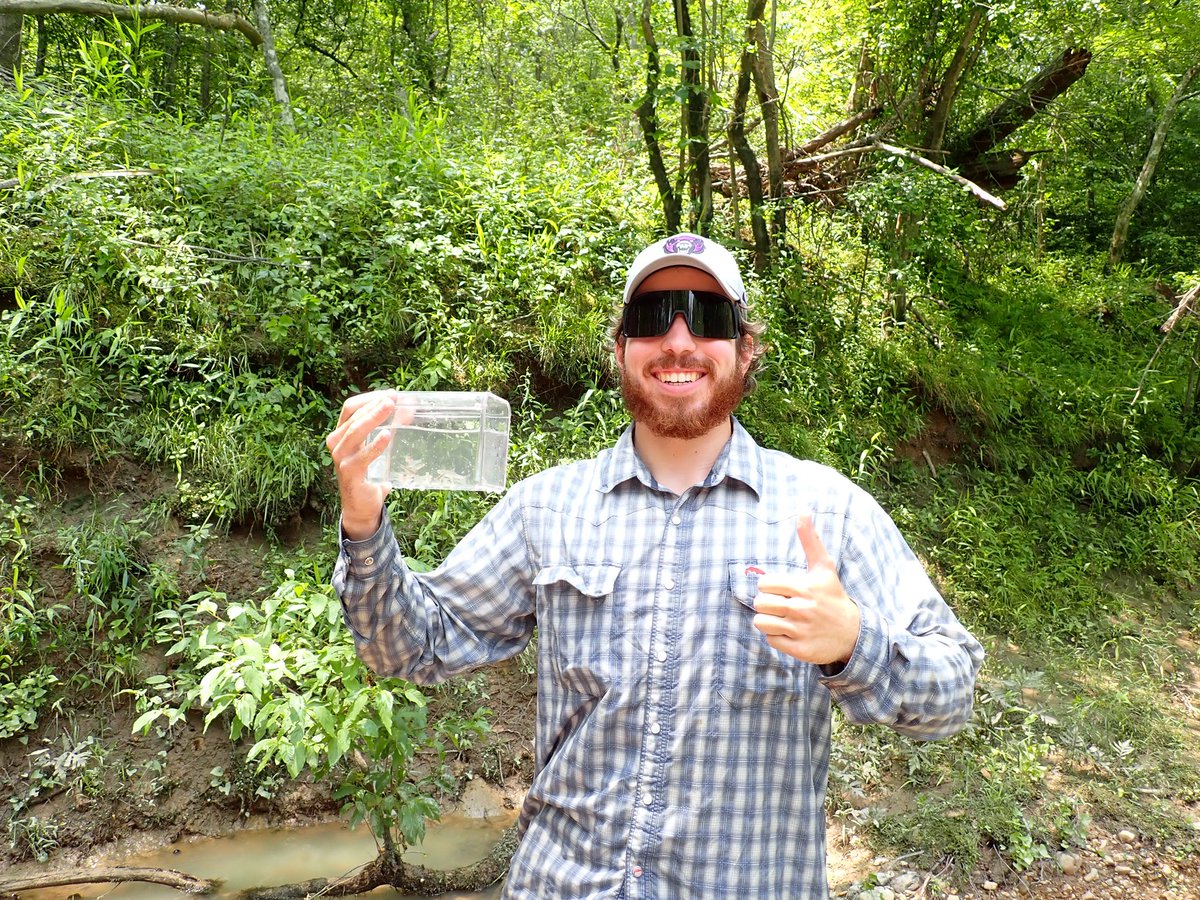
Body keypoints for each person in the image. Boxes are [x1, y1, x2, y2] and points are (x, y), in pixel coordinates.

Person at [326, 232, 984, 899]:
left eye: (706, 318)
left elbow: (952, 692)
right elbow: (408, 649)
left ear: (744, 349)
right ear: (621, 350)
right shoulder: (547, 509)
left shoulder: (828, 512)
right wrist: (362, 522)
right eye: (651, 317)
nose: (678, 341)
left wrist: (853, 646)